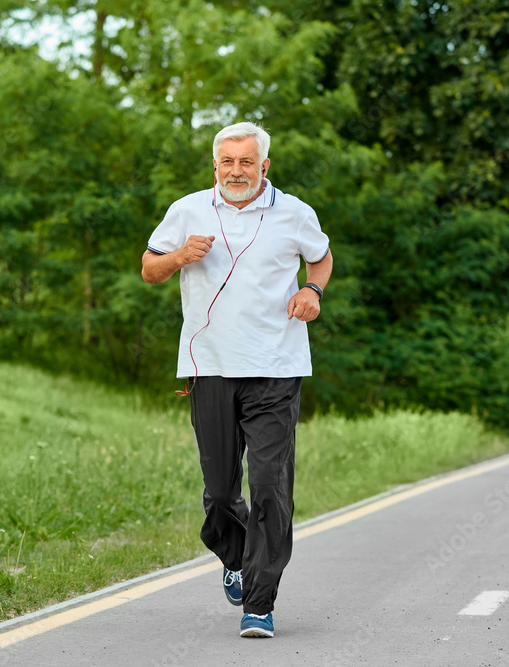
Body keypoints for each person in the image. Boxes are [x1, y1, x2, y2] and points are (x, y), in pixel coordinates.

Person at [140, 121, 332, 638]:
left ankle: (260, 602)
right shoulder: (188, 210)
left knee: (270, 485)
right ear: (216, 165)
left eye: (247, 162)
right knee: (220, 492)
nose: (236, 171)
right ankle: (234, 554)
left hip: (276, 366)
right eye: (227, 161)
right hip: (209, 367)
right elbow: (149, 269)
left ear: (264, 166)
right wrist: (180, 256)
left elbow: (320, 257)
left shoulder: (295, 212)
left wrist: (313, 291)